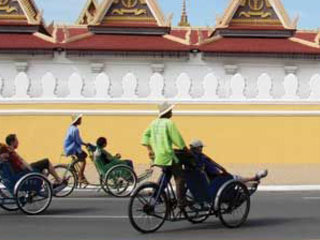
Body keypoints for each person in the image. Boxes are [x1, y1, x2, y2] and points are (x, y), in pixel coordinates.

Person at [142, 102, 190, 209]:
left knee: (167, 174)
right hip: (168, 155)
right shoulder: (169, 123)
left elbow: (145, 136)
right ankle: (181, 202)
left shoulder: (153, 123)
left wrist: (149, 149)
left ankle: (156, 194)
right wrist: (186, 149)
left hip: (158, 157)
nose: (171, 112)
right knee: (180, 178)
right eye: (170, 111)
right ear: (167, 112)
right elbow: (177, 139)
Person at [189, 139, 268, 183]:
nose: (202, 149)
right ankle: (254, 178)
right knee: (235, 178)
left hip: (201, 180)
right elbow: (213, 171)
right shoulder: (202, 159)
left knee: (235, 178)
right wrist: (223, 172)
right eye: (200, 147)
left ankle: (253, 179)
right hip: (215, 179)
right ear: (197, 148)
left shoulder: (193, 159)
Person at [0, 134, 65, 187]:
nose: (18, 142)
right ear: (12, 142)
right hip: (23, 171)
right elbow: (21, 164)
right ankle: (58, 179)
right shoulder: (11, 153)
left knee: (42, 169)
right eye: (16, 140)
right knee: (46, 162)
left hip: (23, 170)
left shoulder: (10, 151)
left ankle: (47, 185)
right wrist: (30, 169)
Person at [64, 114, 88, 184]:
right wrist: (86, 144)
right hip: (73, 148)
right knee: (83, 160)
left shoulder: (71, 127)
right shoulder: (75, 129)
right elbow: (78, 141)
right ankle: (80, 176)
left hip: (69, 147)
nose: (81, 121)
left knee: (84, 156)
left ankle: (79, 173)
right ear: (77, 120)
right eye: (80, 119)